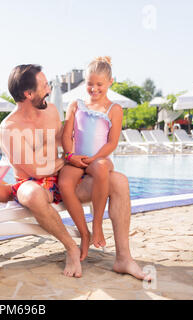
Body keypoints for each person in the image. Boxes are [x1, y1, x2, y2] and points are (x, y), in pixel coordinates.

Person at [0, 64, 149, 280]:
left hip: (61, 178)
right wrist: (68, 159)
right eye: (44, 86)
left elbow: (63, 138)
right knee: (32, 194)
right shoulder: (10, 128)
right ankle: (71, 247)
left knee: (119, 181)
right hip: (32, 184)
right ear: (28, 94)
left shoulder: (49, 111)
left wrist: (91, 152)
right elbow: (36, 170)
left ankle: (124, 258)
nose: (49, 90)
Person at [59, 56, 123, 262]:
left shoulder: (114, 109)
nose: (94, 89)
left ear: (110, 82)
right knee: (65, 183)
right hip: (76, 157)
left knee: (103, 168)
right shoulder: (76, 105)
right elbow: (67, 135)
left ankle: (97, 225)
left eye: (99, 84)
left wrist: (94, 158)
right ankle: (84, 234)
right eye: (89, 84)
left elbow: (112, 142)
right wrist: (71, 156)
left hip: (98, 158)